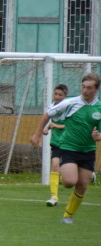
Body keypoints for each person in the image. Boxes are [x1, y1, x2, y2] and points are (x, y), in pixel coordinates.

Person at [31, 72, 101, 225]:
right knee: (69, 182)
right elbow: (48, 114)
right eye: (83, 87)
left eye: (89, 88)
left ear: (96, 89)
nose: (85, 90)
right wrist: (37, 134)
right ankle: (64, 178)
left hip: (88, 151)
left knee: (82, 186)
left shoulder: (99, 108)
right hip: (69, 148)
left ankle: (67, 215)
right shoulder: (70, 103)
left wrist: (98, 136)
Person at [31, 83, 68, 206]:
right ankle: (54, 197)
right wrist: (46, 129)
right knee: (55, 164)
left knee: (67, 174)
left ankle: (89, 175)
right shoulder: (52, 107)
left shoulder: (68, 107)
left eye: (60, 95)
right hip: (56, 142)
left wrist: (55, 125)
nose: (57, 96)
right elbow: (51, 122)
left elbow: (70, 125)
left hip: (69, 142)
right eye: (55, 94)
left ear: (65, 96)